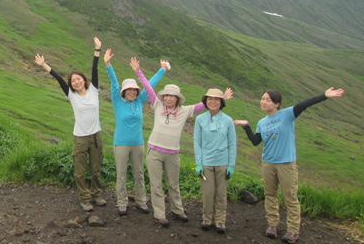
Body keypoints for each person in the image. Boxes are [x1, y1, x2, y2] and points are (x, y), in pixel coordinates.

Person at [234, 87, 345, 244]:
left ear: (277, 104)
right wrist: (246, 126)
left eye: (268, 100)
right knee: (270, 196)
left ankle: (293, 230)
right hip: (268, 164)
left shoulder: (287, 114)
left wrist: (325, 96)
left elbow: (305, 104)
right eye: (262, 98)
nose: (263, 102)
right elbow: (255, 141)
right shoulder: (262, 122)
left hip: (286, 164)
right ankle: (272, 225)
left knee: (290, 198)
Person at [146, 82, 233, 228]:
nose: (168, 98)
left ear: (178, 99)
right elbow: (148, 88)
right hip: (154, 151)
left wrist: (223, 97)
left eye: (172, 96)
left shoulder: (185, 111)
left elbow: (205, 104)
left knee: (174, 184)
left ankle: (177, 210)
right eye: (166, 95)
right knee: (156, 186)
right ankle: (159, 215)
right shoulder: (158, 105)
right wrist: (138, 72)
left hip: (173, 153)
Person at [34, 37, 105, 212]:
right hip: (80, 138)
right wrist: (44, 65)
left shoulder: (94, 90)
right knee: (80, 172)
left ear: (84, 79)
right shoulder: (71, 95)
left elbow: (95, 69)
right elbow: (57, 77)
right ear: (71, 84)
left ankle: (96, 195)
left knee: (96, 170)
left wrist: (97, 50)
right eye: (73, 81)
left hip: (96, 136)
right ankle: (84, 199)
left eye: (79, 79)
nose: (76, 82)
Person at [103, 49, 169, 216]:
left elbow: (150, 85)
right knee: (121, 174)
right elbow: (114, 82)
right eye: (129, 89)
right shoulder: (118, 101)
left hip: (138, 144)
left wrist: (162, 70)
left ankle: (141, 201)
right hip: (121, 145)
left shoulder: (140, 100)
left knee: (139, 174)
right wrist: (108, 65)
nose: (132, 91)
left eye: (134, 89)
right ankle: (122, 202)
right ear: (124, 91)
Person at [193, 88, 237, 234]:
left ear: (221, 102)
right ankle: (207, 219)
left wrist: (231, 165)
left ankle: (220, 221)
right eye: (210, 99)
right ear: (205, 101)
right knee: (207, 192)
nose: (213, 102)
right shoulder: (200, 119)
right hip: (206, 163)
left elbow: (232, 144)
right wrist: (198, 163)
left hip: (223, 163)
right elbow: (197, 142)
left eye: (216, 99)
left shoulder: (228, 120)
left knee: (221, 193)